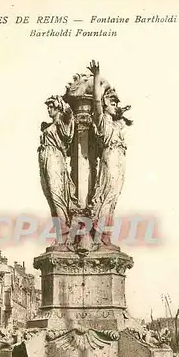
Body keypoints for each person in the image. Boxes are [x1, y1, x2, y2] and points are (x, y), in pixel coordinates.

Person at [87, 60, 132, 249]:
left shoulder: (116, 123)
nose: (116, 106)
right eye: (112, 103)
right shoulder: (102, 119)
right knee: (105, 196)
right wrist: (97, 76)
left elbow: (121, 116)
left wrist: (120, 113)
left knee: (113, 198)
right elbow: (97, 102)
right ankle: (97, 236)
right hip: (110, 159)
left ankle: (105, 235)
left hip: (119, 160)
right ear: (106, 104)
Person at [38, 95, 79, 248]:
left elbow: (69, 117)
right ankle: (59, 233)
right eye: (47, 107)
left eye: (51, 107)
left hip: (55, 158)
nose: (49, 110)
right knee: (51, 197)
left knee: (57, 197)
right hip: (46, 159)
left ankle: (64, 233)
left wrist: (64, 105)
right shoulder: (51, 125)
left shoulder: (62, 123)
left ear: (58, 107)